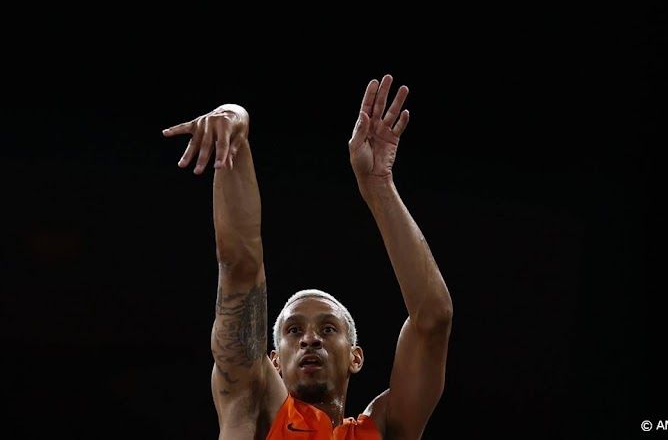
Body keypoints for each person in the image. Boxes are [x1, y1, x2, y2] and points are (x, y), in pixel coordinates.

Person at [162, 74, 453, 439]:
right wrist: (235, 126)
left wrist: (379, 185)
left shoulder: (384, 429)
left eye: (328, 329)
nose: (310, 339)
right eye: (294, 330)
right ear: (274, 361)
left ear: (355, 357)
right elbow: (239, 266)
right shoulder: (251, 406)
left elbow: (433, 318)